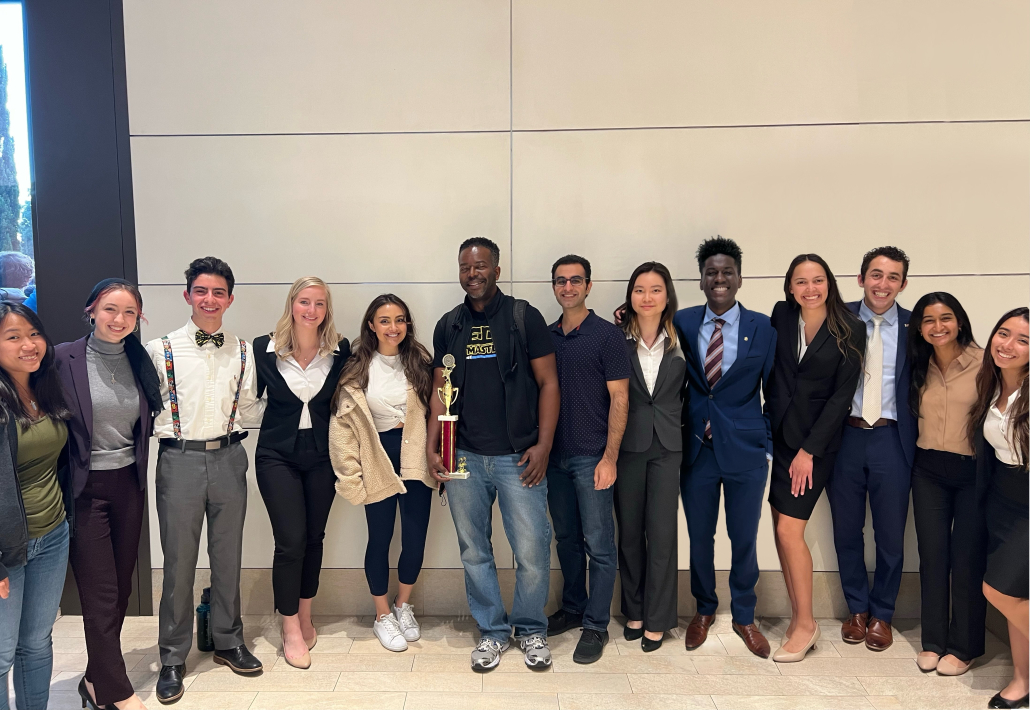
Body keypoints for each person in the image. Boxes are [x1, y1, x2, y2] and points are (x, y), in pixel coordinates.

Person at [426, 237, 559, 671]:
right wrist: (435, 445)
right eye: (465, 267)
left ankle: (532, 629)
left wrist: (543, 445)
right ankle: (493, 632)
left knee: (533, 550)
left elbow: (549, 384)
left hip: (518, 458)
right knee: (474, 551)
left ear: (497, 271)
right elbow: (439, 391)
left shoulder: (524, 317)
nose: (473, 274)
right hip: (464, 457)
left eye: (481, 266)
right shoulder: (449, 324)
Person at [144, 257, 266, 704]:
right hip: (178, 460)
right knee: (178, 562)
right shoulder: (161, 349)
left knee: (228, 555)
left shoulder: (244, 349)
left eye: (218, 292)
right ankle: (173, 656)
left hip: (231, 456)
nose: (209, 299)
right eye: (201, 291)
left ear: (230, 299)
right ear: (187, 295)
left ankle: (229, 640)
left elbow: (251, 407)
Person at [56, 280, 163, 710]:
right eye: (110, 310)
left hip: (128, 485)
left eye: (129, 313)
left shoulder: (141, 361)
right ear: (91, 310)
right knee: (99, 591)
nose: (118, 320)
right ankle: (114, 692)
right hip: (84, 488)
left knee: (118, 588)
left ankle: (95, 678)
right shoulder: (63, 358)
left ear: (139, 320)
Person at [673, 237, 776, 659]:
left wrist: (767, 442)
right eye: (711, 272)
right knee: (700, 537)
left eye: (726, 272)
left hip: (747, 452)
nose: (719, 279)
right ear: (700, 280)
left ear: (738, 278)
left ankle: (745, 615)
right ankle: (703, 609)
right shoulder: (679, 322)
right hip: (697, 448)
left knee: (744, 537)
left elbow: (777, 390)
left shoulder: (763, 327)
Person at [766, 254, 864, 663]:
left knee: (791, 531)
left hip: (816, 445)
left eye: (818, 280)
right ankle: (796, 616)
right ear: (790, 287)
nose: (810, 289)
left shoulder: (849, 328)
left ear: (830, 283)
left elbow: (842, 398)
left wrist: (809, 451)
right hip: (780, 437)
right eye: (801, 282)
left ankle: (806, 625)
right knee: (778, 528)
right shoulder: (781, 316)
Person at [330, 294, 437, 652]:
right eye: (386, 320)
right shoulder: (355, 368)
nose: (394, 327)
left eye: (401, 320)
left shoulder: (421, 363)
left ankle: (402, 606)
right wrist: (350, 475)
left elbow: (441, 411)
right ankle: (381, 617)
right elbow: (342, 427)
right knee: (379, 539)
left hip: (416, 460)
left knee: (415, 538)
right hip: (377, 460)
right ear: (371, 325)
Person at [253, 277, 350, 669]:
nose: (311, 310)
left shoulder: (340, 350)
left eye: (320, 304)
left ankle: (305, 613)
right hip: (277, 455)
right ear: (292, 303)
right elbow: (246, 399)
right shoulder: (264, 348)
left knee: (313, 537)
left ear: (327, 310)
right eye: (304, 302)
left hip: (323, 456)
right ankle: (289, 625)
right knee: (289, 540)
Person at [827, 246, 917, 652]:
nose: (884, 284)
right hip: (843, 437)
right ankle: (857, 609)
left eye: (893, 277)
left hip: (891, 439)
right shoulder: (836, 317)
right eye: (876, 275)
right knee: (846, 531)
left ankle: (883, 613)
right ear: (861, 278)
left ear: (903, 284)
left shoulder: (918, 327)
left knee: (891, 536)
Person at [544, 255, 629, 664]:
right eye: (561, 281)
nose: (568, 287)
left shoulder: (608, 336)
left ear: (589, 286)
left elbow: (620, 398)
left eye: (576, 280)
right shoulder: (546, 336)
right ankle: (574, 607)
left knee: (599, 545)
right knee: (566, 540)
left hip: (592, 456)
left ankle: (596, 625)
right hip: (554, 459)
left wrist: (609, 457)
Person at [907, 292, 986, 675]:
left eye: (946, 318)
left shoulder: (985, 363)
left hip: (972, 472)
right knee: (933, 556)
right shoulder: (917, 365)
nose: (938, 327)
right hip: (928, 471)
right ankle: (933, 642)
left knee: (967, 559)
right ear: (919, 328)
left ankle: (965, 646)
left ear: (959, 321)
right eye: (928, 320)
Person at [0, 303, 73, 710]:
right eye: (13, 337)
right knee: (1, 652)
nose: (28, 345)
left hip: (52, 535)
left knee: (36, 643)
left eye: (33, 334)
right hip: (7, 548)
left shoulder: (44, 387)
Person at [616, 262, 685, 652]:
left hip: (667, 449)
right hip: (626, 446)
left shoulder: (682, 339)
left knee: (662, 536)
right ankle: (635, 610)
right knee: (629, 534)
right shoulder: (616, 339)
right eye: (639, 290)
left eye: (655, 289)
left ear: (666, 295)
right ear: (631, 296)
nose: (647, 297)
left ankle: (658, 619)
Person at [970, 308, 1028, 710]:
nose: (1008, 345)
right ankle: (1023, 680)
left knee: (997, 589)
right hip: (1003, 498)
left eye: (1022, 340)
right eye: (1004, 334)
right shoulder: (992, 386)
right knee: (1017, 594)